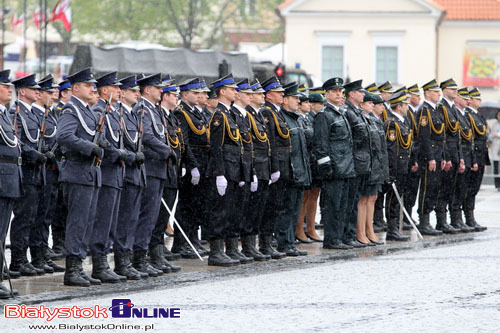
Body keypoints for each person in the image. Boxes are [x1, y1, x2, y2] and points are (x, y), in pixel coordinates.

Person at [56, 67, 103, 287]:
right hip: (76, 171)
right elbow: (63, 136)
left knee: (87, 222)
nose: (92, 88)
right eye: (87, 85)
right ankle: (71, 269)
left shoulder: (87, 111)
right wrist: (89, 147)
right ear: (75, 88)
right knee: (77, 223)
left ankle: (79, 265)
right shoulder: (71, 109)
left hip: (90, 173)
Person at [89, 72, 133, 283]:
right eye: (114, 87)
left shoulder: (113, 112)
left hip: (116, 174)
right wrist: (118, 154)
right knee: (103, 222)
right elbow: (103, 142)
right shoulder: (99, 110)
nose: (119, 91)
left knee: (112, 222)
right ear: (104, 90)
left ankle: (106, 262)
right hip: (106, 172)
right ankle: (99, 264)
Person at [132, 73, 175, 277]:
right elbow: (147, 136)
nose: (161, 91)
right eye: (158, 88)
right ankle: (139, 259)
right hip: (149, 168)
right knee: (146, 216)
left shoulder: (153, 109)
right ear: (147, 90)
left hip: (157, 169)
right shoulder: (142, 108)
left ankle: (145, 256)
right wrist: (166, 150)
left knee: (152, 217)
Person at [8, 74, 47, 277]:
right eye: (34, 90)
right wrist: (35, 154)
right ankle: (18, 260)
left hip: (37, 172)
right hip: (26, 171)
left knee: (34, 216)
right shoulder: (16, 112)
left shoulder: (31, 114)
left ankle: (31, 257)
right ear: (22, 91)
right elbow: (17, 141)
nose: (37, 93)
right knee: (23, 217)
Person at [314, 77, 356, 250]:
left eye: (340, 91)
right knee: (333, 206)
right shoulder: (324, 115)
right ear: (327, 94)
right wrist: (327, 168)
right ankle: (332, 239)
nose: (339, 94)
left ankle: (339, 237)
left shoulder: (340, 114)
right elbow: (321, 145)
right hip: (335, 169)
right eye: (335, 91)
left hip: (346, 167)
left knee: (343, 206)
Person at [113, 75, 148, 280]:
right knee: (124, 220)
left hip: (137, 172)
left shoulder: (133, 115)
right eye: (133, 91)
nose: (137, 94)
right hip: (127, 172)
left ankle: (127, 259)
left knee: (132, 219)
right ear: (123, 93)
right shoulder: (119, 114)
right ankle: (121, 262)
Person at [29, 75, 65, 274]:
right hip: (41, 170)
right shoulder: (35, 114)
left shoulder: (49, 114)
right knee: (38, 215)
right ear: (39, 94)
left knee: (47, 215)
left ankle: (43, 253)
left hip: (53, 170)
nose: (52, 96)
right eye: (48, 92)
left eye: (53, 92)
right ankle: (36, 256)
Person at [206, 73, 243, 266]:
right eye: (231, 89)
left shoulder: (230, 114)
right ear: (222, 91)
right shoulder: (219, 116)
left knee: (230, 210)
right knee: (219, 211)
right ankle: (216, 252)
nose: (235, 91)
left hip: (233, 170)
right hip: (224, 170)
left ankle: (229, 248)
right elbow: (216, 147)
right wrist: (219, 173)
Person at [173, 78, 209, 259]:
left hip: (202, 163)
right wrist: (192, 165)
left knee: (197, 204)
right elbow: (184, 142)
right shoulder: (181, 113)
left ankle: (193, 239)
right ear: (185, 94)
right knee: (186, 205)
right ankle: (182, 242)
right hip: (191, 164)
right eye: (195, 93)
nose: (199, 96)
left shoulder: (196, 112)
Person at [149, 79, 182, 272]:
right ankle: (153, 253)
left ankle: (158, 253)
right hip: (158, 166)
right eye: (174, 95)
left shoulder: (169, 116)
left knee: (162, 215)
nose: (176, 98)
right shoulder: (156, 114)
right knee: (156, 215)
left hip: (169, 168)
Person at [276, 82, 311, 256]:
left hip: (299, 171)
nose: (298, 100)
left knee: (294, 209)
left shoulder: (294, 118)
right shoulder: (281, 117)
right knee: (286, 209)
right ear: (285, 100)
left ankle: (290, 242)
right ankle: (283, 242)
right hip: (289, 172)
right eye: (295, 98)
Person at [227, 79, 258, 264]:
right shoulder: (229, 115)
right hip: (234, 169)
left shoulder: (245, 116)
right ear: (237, 95)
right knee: (231, 211)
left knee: (243, 210)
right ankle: (230, 248)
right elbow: (223, 147)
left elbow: (249, 147)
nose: (251, 97)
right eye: (247, 94)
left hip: (246, 168)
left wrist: (251, 170)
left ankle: (242, 246)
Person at [259, 76, 288, 259]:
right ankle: (265, 243)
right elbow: (271, 142)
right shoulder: (267, 113)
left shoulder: (277, 112)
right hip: (276, 164)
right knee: (270, 207)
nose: (282, 95)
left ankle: (269, 242)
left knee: (277, 206)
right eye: (278, 92)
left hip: (283, 164)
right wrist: (274, 166)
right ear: (269, 95)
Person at [435, 79, 468, 233]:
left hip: (455, 153)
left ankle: (452, 219)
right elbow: (443, 136)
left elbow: (458, 136)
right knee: (444, 189)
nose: (455, 91)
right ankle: (441, 221)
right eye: (451, 89)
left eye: (456, 89)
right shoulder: (441, 107)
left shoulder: (453, 109)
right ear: (444, 90)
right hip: (447, 153)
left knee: (451, 189)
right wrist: (446, 157)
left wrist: (460, 157)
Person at [243, 79, 272, 261]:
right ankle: (248, 245)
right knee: (251, 209)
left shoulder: (259, 114)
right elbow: (250, 146)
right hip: (256, 166)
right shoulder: (247, 115)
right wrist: (252, 170)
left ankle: (255, 245)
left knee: (259, 208)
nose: (263, 96)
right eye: (259, 93)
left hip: (264, 166)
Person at [0, 69, 22, 299]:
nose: (10, 89)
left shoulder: (6, 114)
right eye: (5, 86)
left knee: (1, 232)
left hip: (9, 179)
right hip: (2, 178)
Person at [384, 91, 417, 241]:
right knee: (393, 199)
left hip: (403, 167)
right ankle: (392, 229)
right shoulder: (392, 124)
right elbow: (391, 150)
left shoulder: (402, 122)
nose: (407, 107)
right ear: (398, 106)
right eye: (405, 104)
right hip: (396, 168)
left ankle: (396, 227)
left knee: (398, 199)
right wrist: (391, 170)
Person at [357, 92, 388, 245]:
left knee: (372, 198)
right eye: (369, 103)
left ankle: (369, 229)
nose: (373, 106)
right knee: (364, 199)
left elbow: (382, 149)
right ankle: (362, 231)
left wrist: (384, 169)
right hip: (367, 164)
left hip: (376, 164)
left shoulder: (376, 122)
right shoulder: (363, 120)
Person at [343, 79, 371, 248]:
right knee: (349, 202)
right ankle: (347, 235)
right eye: (360, 92)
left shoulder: (357, 112)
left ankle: (351, 234)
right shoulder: (348, 111)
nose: (363, 94)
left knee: (354, 202)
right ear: (352, 94)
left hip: (361, 162)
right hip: (353, 161)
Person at [416, 79, 444, 236]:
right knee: (427, 188)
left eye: (438, 91)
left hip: (438, 154)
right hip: (429, 156)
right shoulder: (424, 111)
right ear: (427, 93)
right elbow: (424, 137)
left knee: (434, 188)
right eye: (435, 92)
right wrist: (431, 157)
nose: (438, 94)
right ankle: (423, 221)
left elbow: (442, 137)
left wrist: (443, 157)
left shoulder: (436, 110)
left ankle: (428, 220)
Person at [50, 78, 72, 258]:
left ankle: (64, 242)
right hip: (57, 164)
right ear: (64, 93)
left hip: (65, 165)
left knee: (66, 207)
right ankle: (58, 243)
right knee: (58, 208)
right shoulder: (60, 111)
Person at [463, 88, 488, 231]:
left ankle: (470, 217)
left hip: (480, 155)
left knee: (474, 189)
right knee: (468, 189)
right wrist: (473, 160)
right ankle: (468, 218)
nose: (480, 101)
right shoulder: (468, 115)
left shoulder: (478, 115)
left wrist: (483, 160)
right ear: (470, 100)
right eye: (477, 99)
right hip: (473, 156)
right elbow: (471, 139)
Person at [452, 88, 476, 232]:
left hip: (466, 156)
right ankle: (455, 218)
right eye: (465, 98)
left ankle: (460, 218)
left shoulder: (465, 115)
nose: (468, 101)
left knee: (463, 189)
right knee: (457, 189)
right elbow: (458, 139)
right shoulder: (456, 113)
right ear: (457, 99)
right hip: (460, 156)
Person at [402, 84, 421, 230]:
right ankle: (401, 218)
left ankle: (407, 215)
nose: (418, 97)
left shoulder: (415, 112)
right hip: (406, 156)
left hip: (414, 155)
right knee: (405, 189)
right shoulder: (406, 113)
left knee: (412, 189)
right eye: (415, 95)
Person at [489, 110, 500, 190]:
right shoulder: (495, 125)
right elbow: (490, 136)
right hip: (495, 148)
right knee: (496, 167)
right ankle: (497, 184)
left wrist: (498, 134)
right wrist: (492, 134)